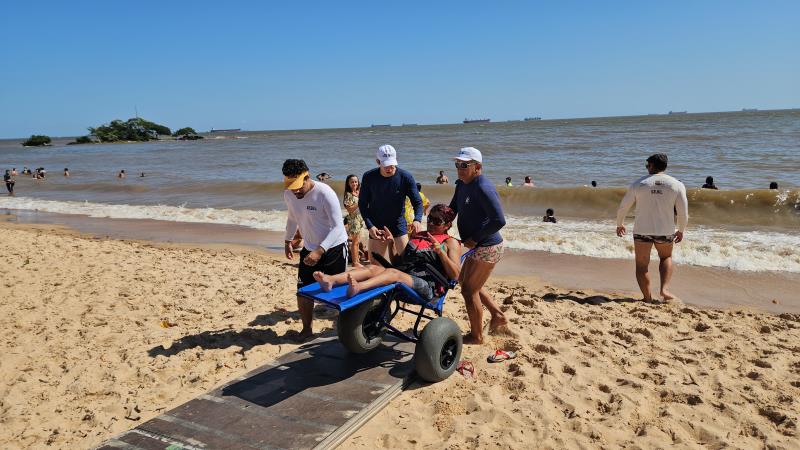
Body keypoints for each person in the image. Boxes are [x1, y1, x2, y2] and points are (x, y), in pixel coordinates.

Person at [313, 204, 461, 300]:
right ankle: (331, 280)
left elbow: (455, 275)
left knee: (393, 273)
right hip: (406, 276)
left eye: (437, 221)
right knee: (373, 267)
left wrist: (440, 252)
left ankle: (359, 287)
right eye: (430, 219)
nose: (431, 223)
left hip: (428, 286)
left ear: (447, 225)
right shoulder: (418, 235)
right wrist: (391, 245)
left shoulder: (450, 242)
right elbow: (399, 263)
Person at [282, 159, 349, 340]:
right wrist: (288, 239)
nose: (295, 190)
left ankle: (344, 331)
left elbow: (338, 227)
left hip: (334, 248)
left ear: (307, 177)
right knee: (303, 291)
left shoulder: (324, 193)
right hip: (309, 247)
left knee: (338, 292)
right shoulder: (289, 194)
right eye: (290, 185)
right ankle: (307, 330)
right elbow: (292, 218)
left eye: (297, 186)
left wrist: (320, 251)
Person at [450, 147, 508, 345]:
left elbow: (499, 220)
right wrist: (440, 221)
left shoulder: (483, 187)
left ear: (478, 167)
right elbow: (453, 208)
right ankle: (497, 315)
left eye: (464, 165)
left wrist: (475, 238)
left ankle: (476, 336)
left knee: (469, 291)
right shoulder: (461, 184)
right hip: (478, 246)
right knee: (464, 280)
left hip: (488, 246)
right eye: (457, 164)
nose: (459, 168)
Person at [616, 153, 688, 303]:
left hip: (642, 230)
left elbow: (623, 207)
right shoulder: (676, 184)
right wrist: (681, 230)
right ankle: (664, 289)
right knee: (666, 257)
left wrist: (619, 224)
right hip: (665, 231)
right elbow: (683, 212)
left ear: (653, 166)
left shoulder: (639, 184)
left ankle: (647, 298)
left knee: (642, 266)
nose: (646, 168)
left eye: (647, 165)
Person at [359, 144, 423, 261]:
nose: (389, 168)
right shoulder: (369, 177)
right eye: (386, 165)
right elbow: (362, 204)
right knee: (376, 266)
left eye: (392, 165)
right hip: (377, 227)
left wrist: (417, 220)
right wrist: (370, 226)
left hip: (398, 225)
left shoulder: (406, 177)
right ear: (378, 162)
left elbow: (418, 202)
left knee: (406, 263)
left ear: (396, 160)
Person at [343, 174, 366, 267]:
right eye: (352, 182)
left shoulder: (358, 193)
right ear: (348, 183)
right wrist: (360, 202)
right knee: (355, 242)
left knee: (358, 241)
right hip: (353, 219)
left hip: (360, 218)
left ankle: (357, 261)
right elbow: (350, 209)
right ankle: (355, 262)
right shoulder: (348, 194)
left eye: (356, 181)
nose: (354, 183)